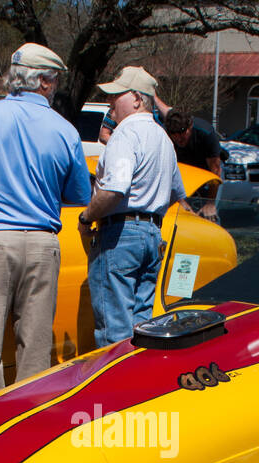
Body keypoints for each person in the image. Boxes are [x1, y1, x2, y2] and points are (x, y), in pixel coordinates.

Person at [0, 43, 91, 405]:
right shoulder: (65, 130)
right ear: (44, 82)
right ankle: (28, 428)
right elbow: (79, 192)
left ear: (16, 78)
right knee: (36, 346)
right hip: (42, 244)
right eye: (53, 81)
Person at [79, 66, 186, 347]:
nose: (110, 103)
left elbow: (115, 188)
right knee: (141, 328)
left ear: (138, 99)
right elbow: (176, 191)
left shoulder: (125, 135)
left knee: (114, 332)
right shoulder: (163, 139)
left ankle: (114, 389)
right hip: (152, 234)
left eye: (117, 96)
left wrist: (86, 216)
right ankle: (137, 387)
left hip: (120, 235)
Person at [163, 109, 222, 220]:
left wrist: (210, 203)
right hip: (182, 173)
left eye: (182, 132)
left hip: (207, 173)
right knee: (180, 213)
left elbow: (216, 170)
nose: (178, 138)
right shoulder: (165, 136)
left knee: (209, 214)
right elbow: (166, 173)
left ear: (190, 126)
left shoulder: (205, 133)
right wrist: (181, 201)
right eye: (173, 133)